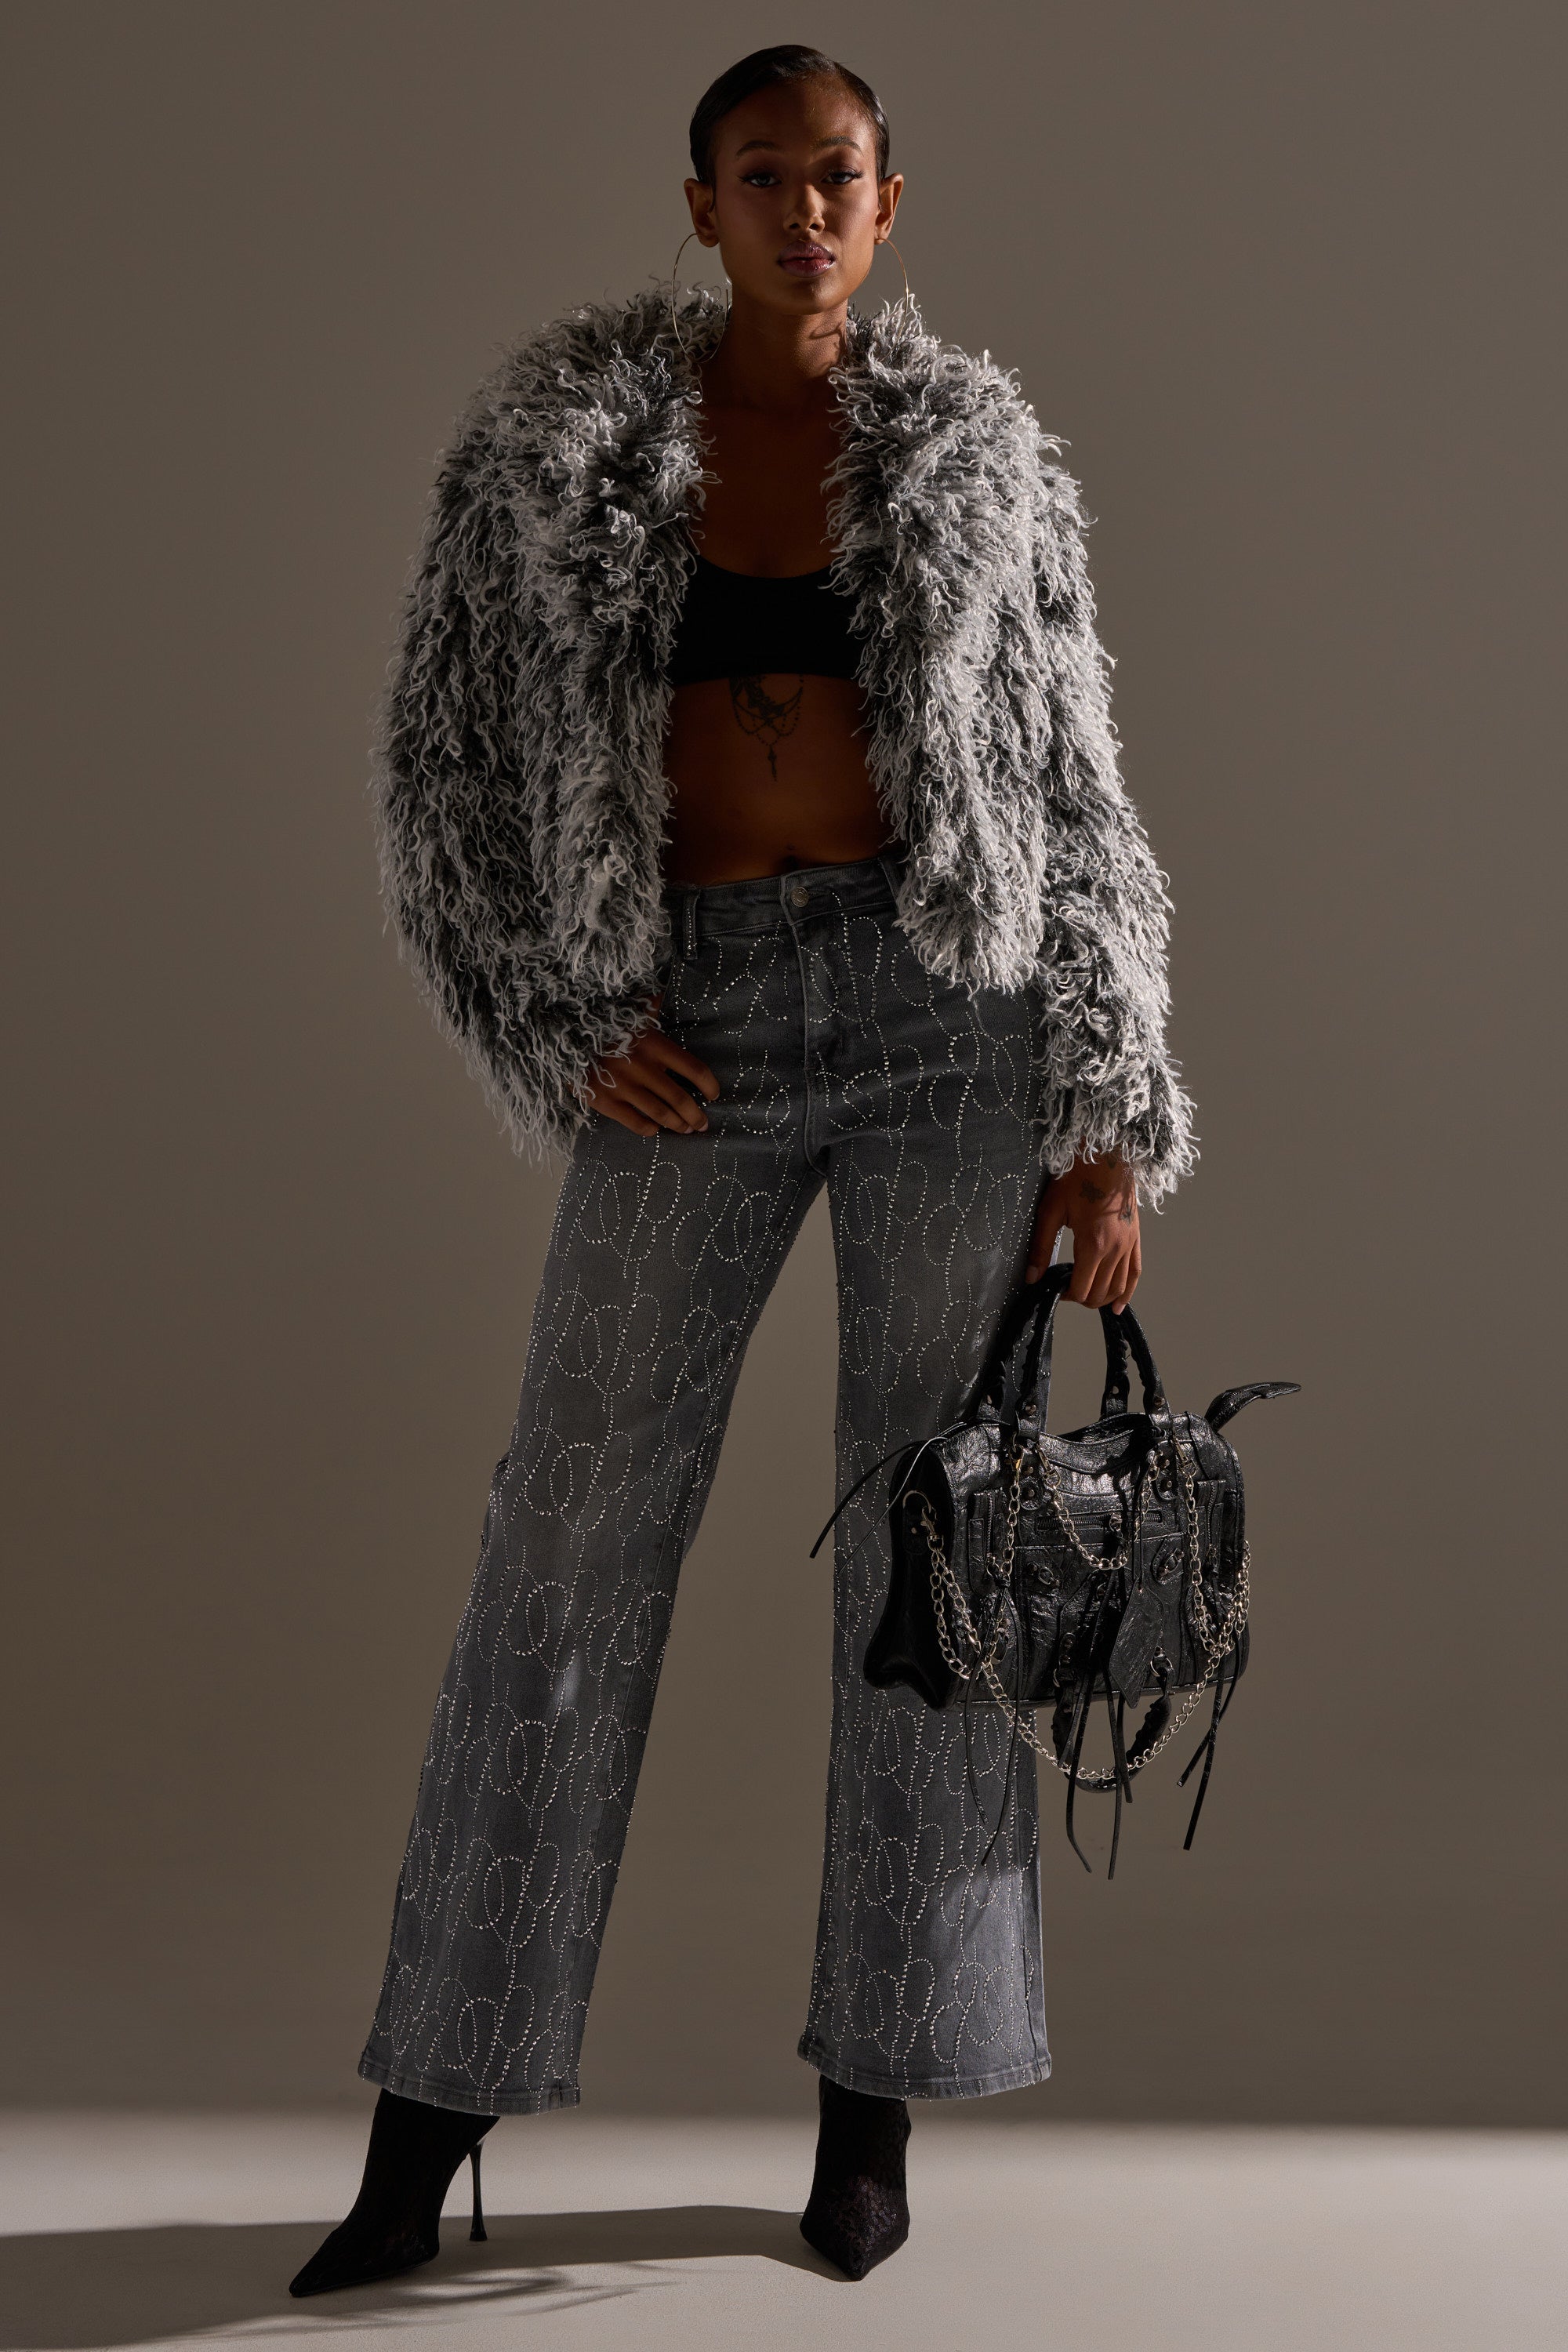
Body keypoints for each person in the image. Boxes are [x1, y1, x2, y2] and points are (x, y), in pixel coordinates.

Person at [289, 42, 1194, 2296]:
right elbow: (439, 781)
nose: (807, 211)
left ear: (894, 207)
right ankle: (430, 2122)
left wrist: (1105, 1115)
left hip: (940, 1024)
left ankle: (872, 2112)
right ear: (696, 203)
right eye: (765, 176)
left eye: (843, 178)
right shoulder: (556, 450)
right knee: (567, 1544)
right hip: (690, 1022)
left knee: (929, 1554)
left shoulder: (980, 461)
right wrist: (567, 1021)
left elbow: (1077, 800)